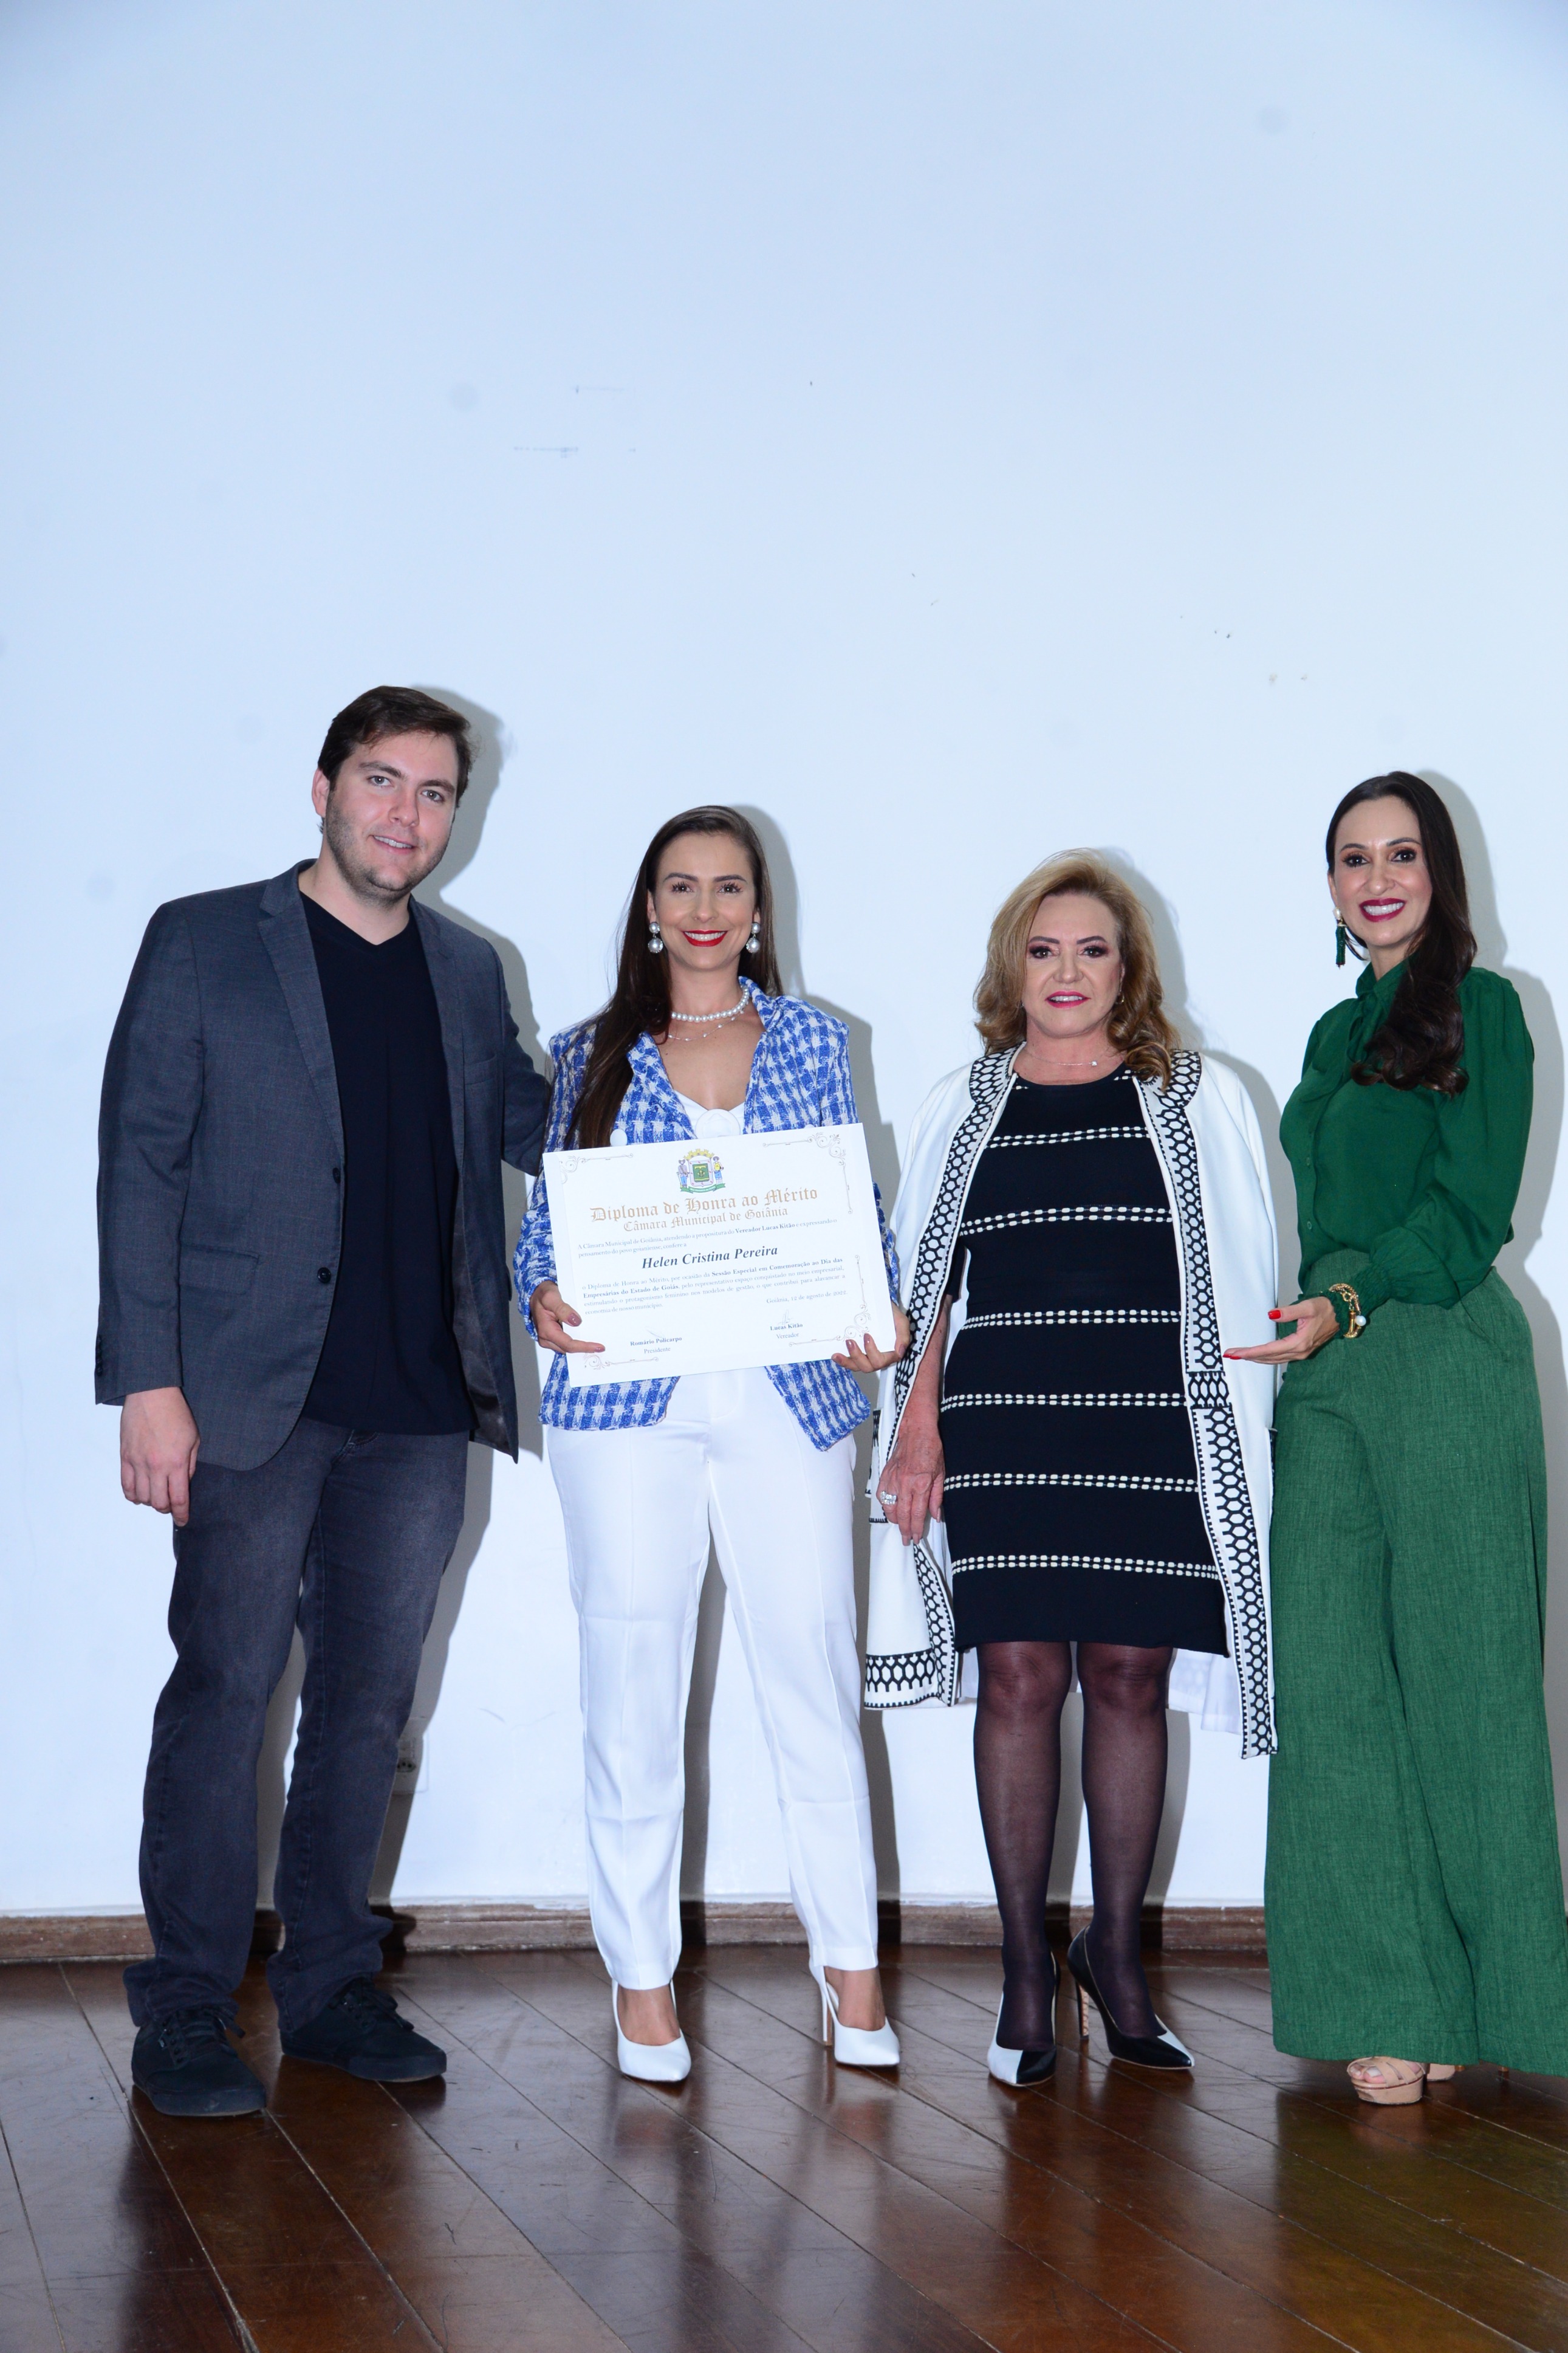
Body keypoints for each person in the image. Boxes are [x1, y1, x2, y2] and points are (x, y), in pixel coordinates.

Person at [98, 685, 550, 2116]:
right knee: (225, 1692)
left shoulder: (467, 971)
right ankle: (186, 2003)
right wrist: (147, 1382)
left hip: (417, 1402)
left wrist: (707, 1059)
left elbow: (545, 1127)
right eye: (380, 780)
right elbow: (140, 1162)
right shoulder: (203, 939)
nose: (406, 815)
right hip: (244, 1396)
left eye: (434, 792)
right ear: (322, 789)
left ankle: (331, 1985)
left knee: (365, 1707)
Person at [868, 853, 1276, 2084]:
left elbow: (1246, 1268)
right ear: (1012, 965)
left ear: (1127, 966)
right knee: (1018, 1677)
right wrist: (917, 1427)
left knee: (1130, 1676)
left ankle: (1117, 1961)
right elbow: (922, 1287)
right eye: (1043, 950)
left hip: (1151, 1427)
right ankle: (1022, 1972)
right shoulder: (963, 1103)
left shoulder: (1196, 1095)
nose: (1065, 972)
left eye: (1091, 949)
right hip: (1006, 1427)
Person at [516, 806, 907, 2081]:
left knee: (812, 1673)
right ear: (649, 907)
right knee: (631, 1679)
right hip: (625, 1402)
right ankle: (641, 1981)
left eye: (727, 887)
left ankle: (850, 1969)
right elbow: (549, 1227)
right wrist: (539, 1292)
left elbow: (849, 1204)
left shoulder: (812, 1039)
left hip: (787, 1393)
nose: (703, 909)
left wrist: (880, 1307)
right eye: (679, 886)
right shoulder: (586, 1052)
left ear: (757, 908)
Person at [1228, 772, 1568, 2103]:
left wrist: (1351, 1301)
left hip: (1433, 1347)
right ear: (1330, 885)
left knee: (1465, 1682)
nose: (1377, 879)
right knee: (1331, 1683)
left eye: (1401, 854)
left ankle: (1493, 2001)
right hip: (1324, 1365)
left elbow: (1475, 1211)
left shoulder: (1487, 1007)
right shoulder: (1329, 1032)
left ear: (1440, 874)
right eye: (1353, 858)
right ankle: (1389, 1993)